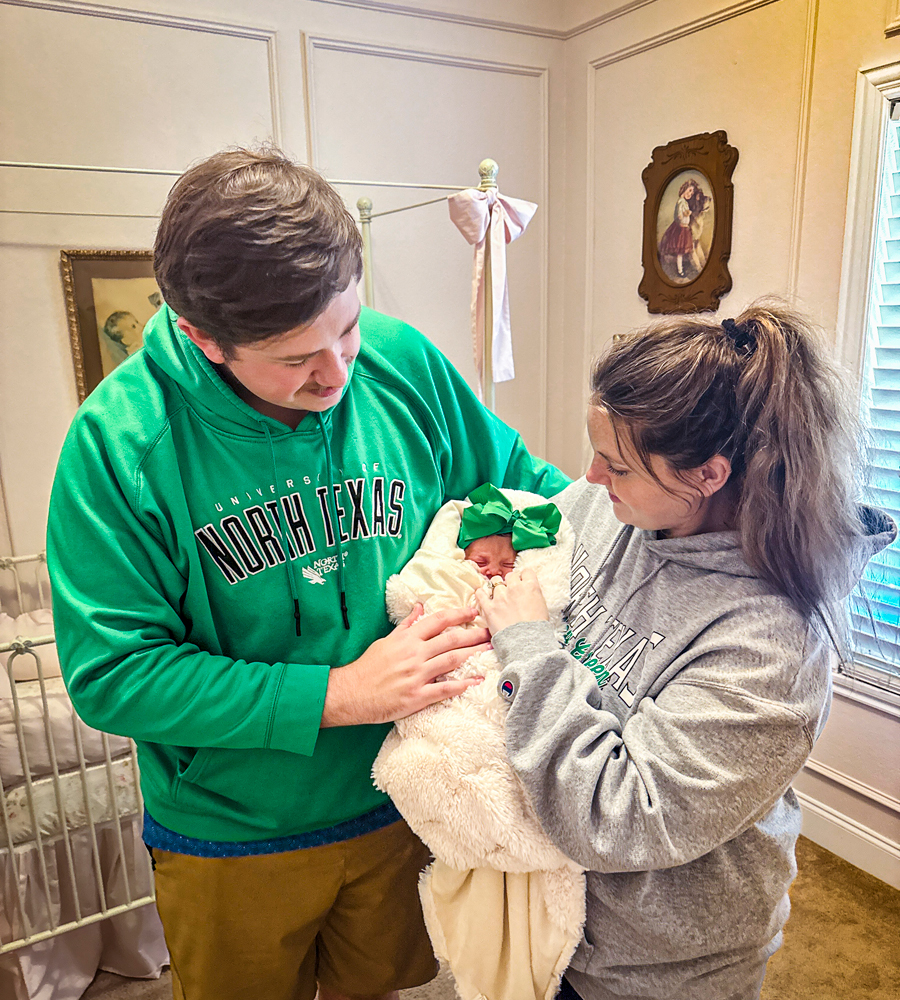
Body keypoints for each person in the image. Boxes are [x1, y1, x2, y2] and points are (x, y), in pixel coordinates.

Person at [46, 147, 569, 1000]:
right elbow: (113, 677)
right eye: (296, 359)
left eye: (349, 328)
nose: (337, 373)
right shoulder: (118, 447)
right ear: (202, 338)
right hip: (234, 832)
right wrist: (342, 694)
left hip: (401, 794)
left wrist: (544, 534)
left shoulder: (399, 362)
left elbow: (523, 486)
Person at [474, 302, 897, 1000]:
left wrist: (526, 645)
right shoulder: (618, 507)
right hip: (550, 920)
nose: (591, 477)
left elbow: (619, 816)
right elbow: (558, 521)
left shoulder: (773, 650)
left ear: (707, 474)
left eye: (616, 465)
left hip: (654, 967)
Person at [373, 483, 584, 1000]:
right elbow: (417, 599)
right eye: (481, 559)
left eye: (506, 563)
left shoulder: (525, 586)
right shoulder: (453, 584)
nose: (492, 571)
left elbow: (546, 619)